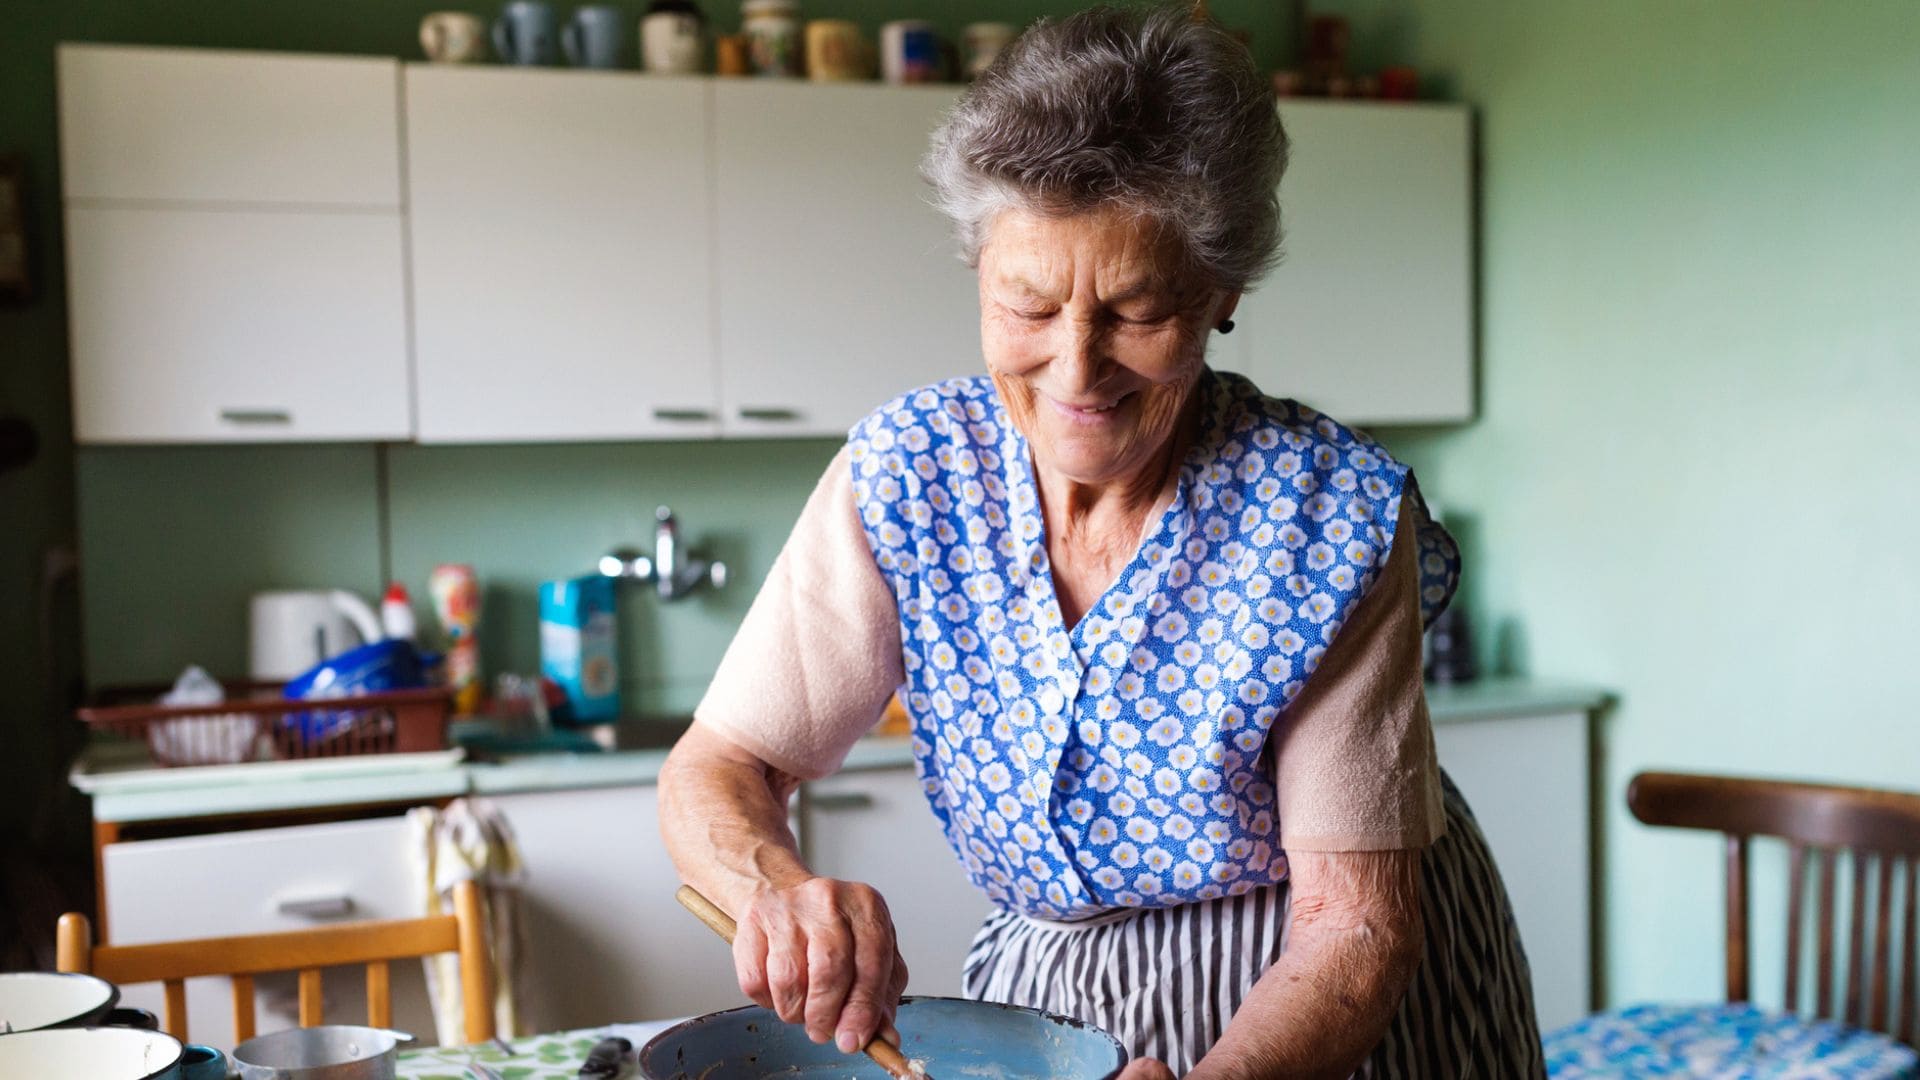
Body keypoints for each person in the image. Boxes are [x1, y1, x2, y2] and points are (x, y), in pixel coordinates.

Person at [659, 5, 1543, 1075]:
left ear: (1222, 293)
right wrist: (778, 892)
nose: (1077, 372)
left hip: (1320, 1013)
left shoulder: (1327, 515)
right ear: (980, 270)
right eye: (1027, 307)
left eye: (1135, 312)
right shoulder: (906, 473)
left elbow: (1353, 929)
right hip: (1051, 1002)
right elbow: (719, 765)